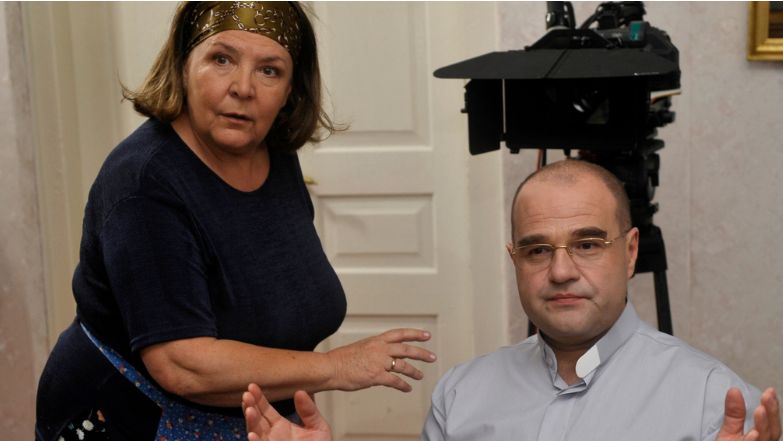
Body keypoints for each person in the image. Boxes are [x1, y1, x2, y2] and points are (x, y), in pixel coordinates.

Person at [35, 2, 435, 441]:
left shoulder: (272, 152)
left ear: (291, 90)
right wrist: (336, 367)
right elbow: (181, 364)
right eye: (221, 59)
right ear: (183, 64)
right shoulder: (143, 181)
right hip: (130, 419)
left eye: (269, 70)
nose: (243, 88)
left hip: (249, 414)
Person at [241, 159, 781, 441]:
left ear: (631, 251)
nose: (561, 271)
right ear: (514, 259)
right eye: (537, 250)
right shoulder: (462, 394)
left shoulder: (717, 402)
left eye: (588, 244)